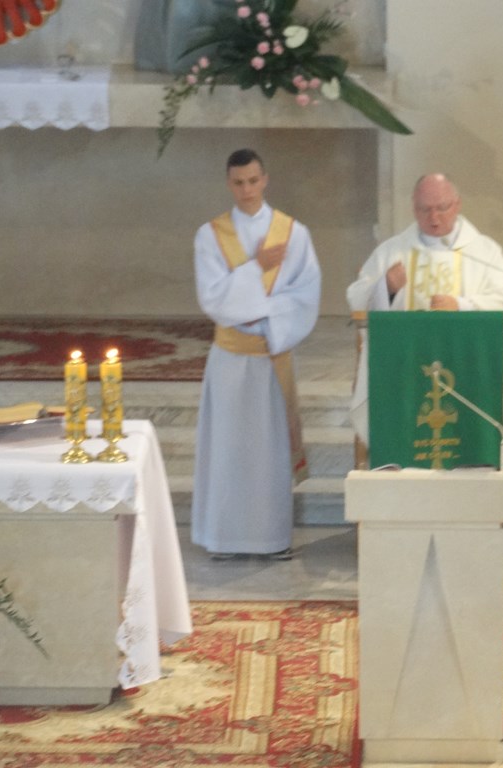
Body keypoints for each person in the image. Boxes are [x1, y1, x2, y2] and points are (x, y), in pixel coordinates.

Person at [191, 148, 321, 561]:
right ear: (228, 184)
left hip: (270, 356)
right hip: (230, 359)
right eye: (238, 183)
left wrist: (263, 317)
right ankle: (225, 539)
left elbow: (306, 294)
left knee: (268, 453)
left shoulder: (293, 233)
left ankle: (271, 538)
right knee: (228, 448)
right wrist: (256, 269)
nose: (247, 190)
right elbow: (213, 300)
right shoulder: (210, 235)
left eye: (253, 181)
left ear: (265, 179)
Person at [347, 173, 503, 451]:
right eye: (425, 209)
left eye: (442, 208)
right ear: (413, 209)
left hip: (466, 361)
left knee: (468, 433)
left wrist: (460, 305)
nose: (434, 217)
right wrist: (386, 287)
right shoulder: (393, 251)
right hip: (407, 365)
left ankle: (473, 457)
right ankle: (402, 456)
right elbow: (356, 298)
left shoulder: (484, 251)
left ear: (457, 204)